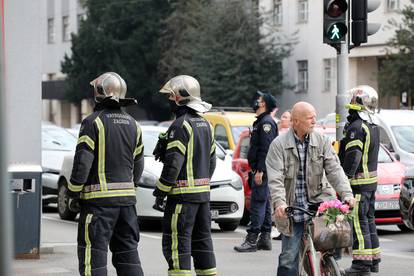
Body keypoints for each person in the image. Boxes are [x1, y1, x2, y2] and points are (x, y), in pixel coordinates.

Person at [67, 72, 145, 276]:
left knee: (94, 259)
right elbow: (138, 164)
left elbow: (82, 163)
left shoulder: (93, 122)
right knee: (128, 255)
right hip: (127, 205)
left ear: (98, 94)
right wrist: (131, 188)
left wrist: (73, 192)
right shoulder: (133, 125)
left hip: (98, 205)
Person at [265, 101, 355, 276]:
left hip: (319, 202)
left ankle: (329, 266)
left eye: (315, 116)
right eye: (310, 118)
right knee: (288, 258)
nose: (314, 120)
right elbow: (275, 179)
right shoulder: (278, 145)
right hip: (292, 208)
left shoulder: (321, 140)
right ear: (296, 121)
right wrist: (279, 203)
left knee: (334, 242)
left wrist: (347, 194)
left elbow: (334, 170)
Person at [152, 75, 217, 276]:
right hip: (202, 198)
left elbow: (173, 165)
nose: (169, 101)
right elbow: (212, 162)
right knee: (202, 244)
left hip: (181, 200)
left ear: (179, 97)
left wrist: (160, 192)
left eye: (170, 96)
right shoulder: (206, 124)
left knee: (177, 245)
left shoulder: (180, 125)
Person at [339, 85, 381, 276]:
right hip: (371, 184)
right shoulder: (373, 125)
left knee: (358, 221)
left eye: (353, 100)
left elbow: (353, 157)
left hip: (358, 184)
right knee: (369, 220)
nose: (349, 104)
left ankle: (361, 265)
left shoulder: (356, 127)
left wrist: (344, 180)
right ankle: (373, 260)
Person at [234, 91, 278, 252]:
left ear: (264, 104)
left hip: (262, 170)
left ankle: (252, 240)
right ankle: (265, 238)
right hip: (260, 169)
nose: (256, 102)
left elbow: (266, 149)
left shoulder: (266, 123)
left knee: (257, 203)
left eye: (259, 100)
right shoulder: (261, 122)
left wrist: (260, 170)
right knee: (264, 203)